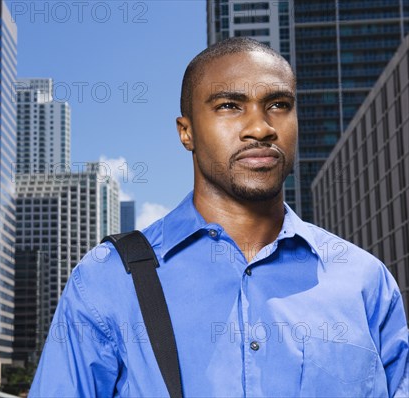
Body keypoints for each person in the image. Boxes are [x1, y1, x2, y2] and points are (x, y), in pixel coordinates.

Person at [29, 37, 408, 397]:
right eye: (229, 105)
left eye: (279, 104)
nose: (261, 128)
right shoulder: (108, 279)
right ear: (186, 132)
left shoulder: (364, 281)